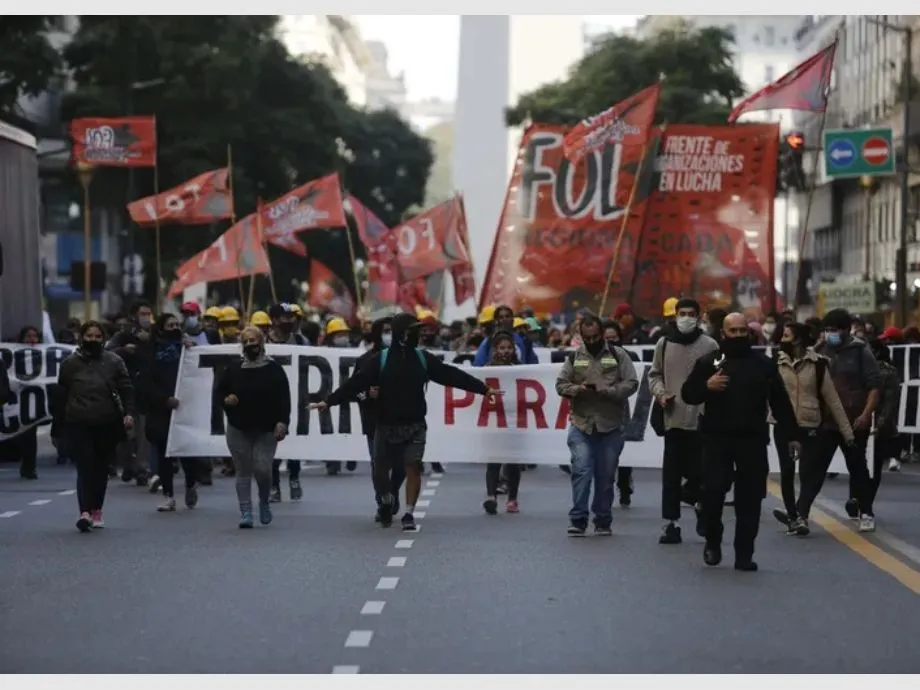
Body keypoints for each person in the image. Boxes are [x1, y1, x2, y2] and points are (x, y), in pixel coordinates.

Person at [311, 312, 501, 531]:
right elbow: (355, 384)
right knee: (380, 471)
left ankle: (409, 513)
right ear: (402, 334)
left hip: (415, 425)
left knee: (413, 467)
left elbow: (451, 375)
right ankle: (385, 500)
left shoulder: (423, 359)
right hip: (385, 425)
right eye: (414, 330)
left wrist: (483, 389)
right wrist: (329, 401)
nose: (419, 335)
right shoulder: (379, 361)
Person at [681, 312, 800, 571]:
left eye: (741, 331)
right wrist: (707, 386)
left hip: (752, 441)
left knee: (750, 500)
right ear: (723, 334)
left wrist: (792, 436)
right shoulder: (710, 362)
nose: (737, 335)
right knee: (712, 494)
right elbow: (688, 394)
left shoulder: (763, 365)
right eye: (732, 331)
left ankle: (744, 554)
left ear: (748, 333)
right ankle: (712, 540)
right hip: (716, 439)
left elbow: (780, 401)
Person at [556, 314, 638, 537]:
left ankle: (602, 519)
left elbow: (632, 383)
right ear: (581, 336)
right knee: (581, 469)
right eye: (587, 337)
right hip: (581, 423)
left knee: (605, 475)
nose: (591, 341)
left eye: (595, 337)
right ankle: (578, 519)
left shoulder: (618, 355)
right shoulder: (574, 357)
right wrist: (578, 389)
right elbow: (560, 385)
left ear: (601, 334)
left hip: (610, 425)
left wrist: (610, 392)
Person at [647, 298, 719, 545]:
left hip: (701, 420)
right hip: (673, 419)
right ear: (675, 316)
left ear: (699, 317)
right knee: (671, 475)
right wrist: (660, 393)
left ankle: (700, 506)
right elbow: (654, 374)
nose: (686, 317)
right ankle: (671, 524)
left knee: (701, 474)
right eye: (682, 313)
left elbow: (721, 377)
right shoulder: (664, 344)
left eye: (691, 313)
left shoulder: (711, 346)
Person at [771, 322, 854, 536]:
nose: (783, 336)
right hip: (783, 425)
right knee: (787, 472)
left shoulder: (818, 365)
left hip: (810, 424)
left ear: (798, 338)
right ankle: (793, 516)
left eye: (787, 334)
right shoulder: (775, 361)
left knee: (809, 473)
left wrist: (847, 432)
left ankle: (801, 513)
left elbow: (832, 400)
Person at [54, 321, 136, 532]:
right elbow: (60, 396)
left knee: (100, 468)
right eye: (89, 336)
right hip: (78, 422)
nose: (93, 340)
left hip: (106, 422)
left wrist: (128, 413)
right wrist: (58, 425)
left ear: (104, 339)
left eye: (97, 336)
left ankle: (96, 509)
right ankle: (84, 512)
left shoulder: (114, 361)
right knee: (84, 466)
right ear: (81, 338)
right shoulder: (69, 364)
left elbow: (126, 389)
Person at [811, 308, 880, 531]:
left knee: (858, 468)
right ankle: (799, 514)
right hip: (828, 421)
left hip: (853, 421)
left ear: (846, 329)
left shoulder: (861, 351)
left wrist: (866, 414)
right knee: (816, 467)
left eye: (835, 329)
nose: (830, 333)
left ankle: (867, 513)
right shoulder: (820, 350)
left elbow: (874, 386)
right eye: (827, 329)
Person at [217, 326, 291, 528]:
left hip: (266, 428)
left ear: (262, 342)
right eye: (247, 341)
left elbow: (285, 399)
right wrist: (226, 399)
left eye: (255, 340)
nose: (251, 344)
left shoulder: (274, 369)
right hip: (238, 428)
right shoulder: (233, 369)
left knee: (262, 468)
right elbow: (220, 392)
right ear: (242, 345)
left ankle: (264, 501)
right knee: (243, 470)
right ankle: (246, 511)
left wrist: (283, 422)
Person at [139, 314, 200, 513]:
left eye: (176, 324)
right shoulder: (151, 349)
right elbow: (146, 380)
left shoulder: (186, 346)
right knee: (165, 452)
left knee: (186, 452)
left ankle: (191, 483)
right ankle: (168, 495)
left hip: (185, 405)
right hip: (160, 408)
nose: (174, 328)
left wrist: (193, 349)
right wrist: (164, 399)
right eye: (169, 325)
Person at [351, 318, 407, 521]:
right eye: (385, 331)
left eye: (392, 331)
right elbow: (354, 393)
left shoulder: (405, 359)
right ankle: (382, 501)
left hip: (401, 421)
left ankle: (392, 492)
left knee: (401, 465)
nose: (389, 334)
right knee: (379, 464)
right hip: (374, 422)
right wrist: (368, 394)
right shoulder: (364, 361)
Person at [482, 330, 524, 515]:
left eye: (509, 348)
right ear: (495, 350)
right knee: (493, 459)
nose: (506, 351)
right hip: (494, 419)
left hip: (515, 420)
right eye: (502, 348)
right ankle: (491, 496)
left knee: (513, 461)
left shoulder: (521, 368)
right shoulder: (487, 368)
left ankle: (512, 498)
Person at [865, 336, 901, 506]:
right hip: (859, 422)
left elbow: (889, 403)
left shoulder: (888, 372)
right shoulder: (858, 369)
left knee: (875, 465)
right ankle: (858, 499)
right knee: (858, 465)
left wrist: (879, 425)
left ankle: (866, 503)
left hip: (877, 426)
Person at [602, 320, 634, 507]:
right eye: (607, 339)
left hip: (623, 409)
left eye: (614, 339)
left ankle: (624, 485)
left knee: (625, 451)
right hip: (602, 410)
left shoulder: (629, 356)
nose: (611, 342)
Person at [14, 326, 42, 479]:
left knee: (29, 434)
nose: (32, 340)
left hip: (34, 401)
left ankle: (29, 466)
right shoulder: (14, 355)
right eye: (28, 336)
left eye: (35, 336)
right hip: (16, 400)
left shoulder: (44, 356)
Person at [472, 304, 538, 366]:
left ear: (512, 319)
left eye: (507, 316)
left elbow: (533, 364)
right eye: (501, 317)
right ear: (496, 320)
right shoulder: (488, 342)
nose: (504, 319)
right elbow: (477, 365)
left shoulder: (523, 340)